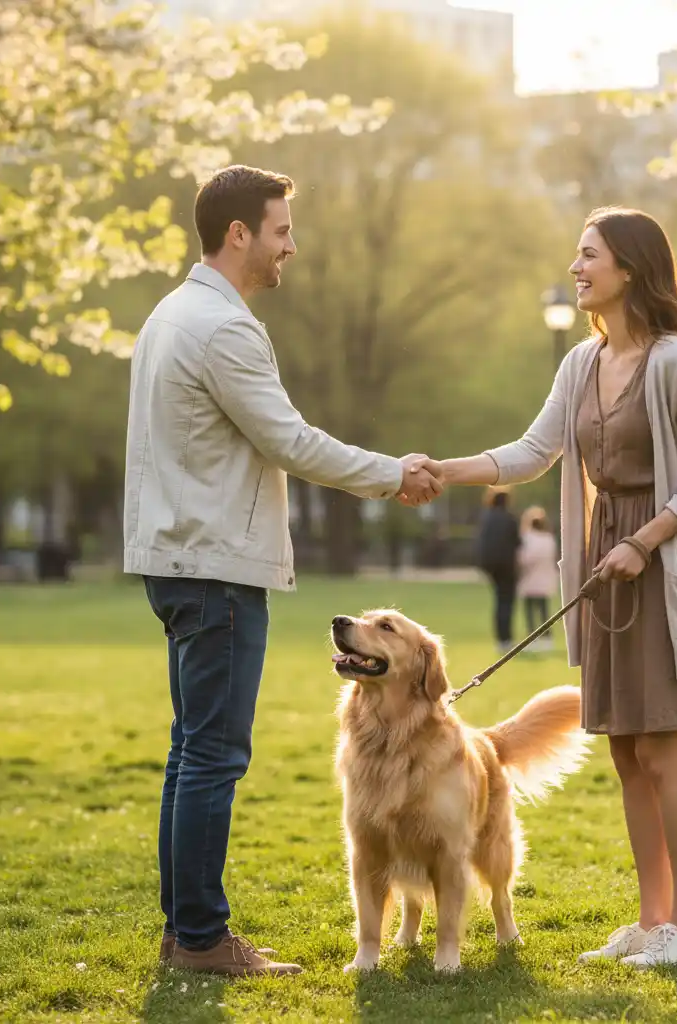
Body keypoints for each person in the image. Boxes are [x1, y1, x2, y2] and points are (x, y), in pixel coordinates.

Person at [123, 165, 442, 977]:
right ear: (240, 234)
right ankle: (199, 938)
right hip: (216, 567)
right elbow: (290, 440)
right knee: (212, 756)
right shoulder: (223, 327)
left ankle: (185, 932)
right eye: (281, 230)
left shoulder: (170, 314)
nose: (290, 246)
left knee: (189, 750)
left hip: (177, 558)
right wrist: (391, 473)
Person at [423, 206, 677, 968]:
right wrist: (443, 470)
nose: (576, 266)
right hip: (607, 566)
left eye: (589, 254)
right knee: (627, 753)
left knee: (665, 751)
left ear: (629, 267)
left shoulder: (675, 363)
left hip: (664, 568)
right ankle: (652, 919)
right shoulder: (580, 365)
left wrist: (645, 538)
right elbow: (534, 451)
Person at [476, 488, 521, 652]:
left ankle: (500, 639)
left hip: (491, 566)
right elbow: (518, 542)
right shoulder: (510, 518)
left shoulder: (486, 518)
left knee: (499, 601)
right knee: (507, 602)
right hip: (507, 566)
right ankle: (506, 639)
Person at [517, 506, 559, 652]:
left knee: (530, 611)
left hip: (529, 579)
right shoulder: (549, 539)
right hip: (545, 579)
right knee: (544, 611)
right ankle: (548, 639)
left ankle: (532, 641)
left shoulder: (527, 538)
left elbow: (524, 559)